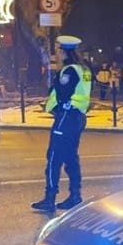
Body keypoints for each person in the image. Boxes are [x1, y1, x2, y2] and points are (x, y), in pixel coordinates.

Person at [32, 35, 92, 212]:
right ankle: (75, 195)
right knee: (71, 157)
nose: (57, 53)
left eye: (58, 50)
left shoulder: (68, 71)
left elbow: (61, 93)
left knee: (53, 157)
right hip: (77, 117)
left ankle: (49, 198)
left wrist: (55, 106)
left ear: (65, 52)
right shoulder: (84, 70)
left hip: (65, 116)